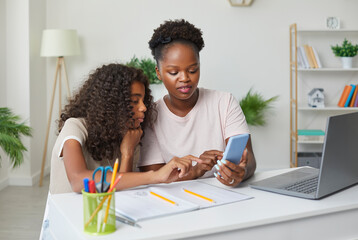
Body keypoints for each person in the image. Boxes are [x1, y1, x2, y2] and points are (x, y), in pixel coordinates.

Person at [49, 63, 202, 194]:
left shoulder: (130, 136)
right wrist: (155, 176)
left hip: (101, 217)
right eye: (135, 101)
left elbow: (119, 191)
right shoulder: (75, 127)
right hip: (68, 216)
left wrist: (127, 152)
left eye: (143, 100)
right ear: (112, 104)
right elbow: (78, 180)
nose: (143, 107)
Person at [138, 19, 256, 186]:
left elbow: (248, 159)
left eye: (193, 70)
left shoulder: (224, 102)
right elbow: (155, 178)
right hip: (175, 203)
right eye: (173, 72)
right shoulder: (151, 115)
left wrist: (241, 172)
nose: (185, 78)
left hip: (224, 195)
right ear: (159, 73)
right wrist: (197, 170)